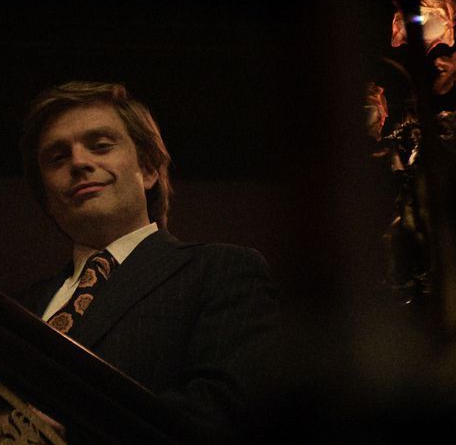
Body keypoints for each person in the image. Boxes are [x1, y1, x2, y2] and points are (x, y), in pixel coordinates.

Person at [17, 81, 282, 443]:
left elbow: (226, 409)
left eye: (100, 145)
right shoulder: (19, 305)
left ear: (148, 169)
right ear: (47, 197)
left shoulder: (221, 269)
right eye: (58, 158)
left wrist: (64, 430)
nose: (78, 162)